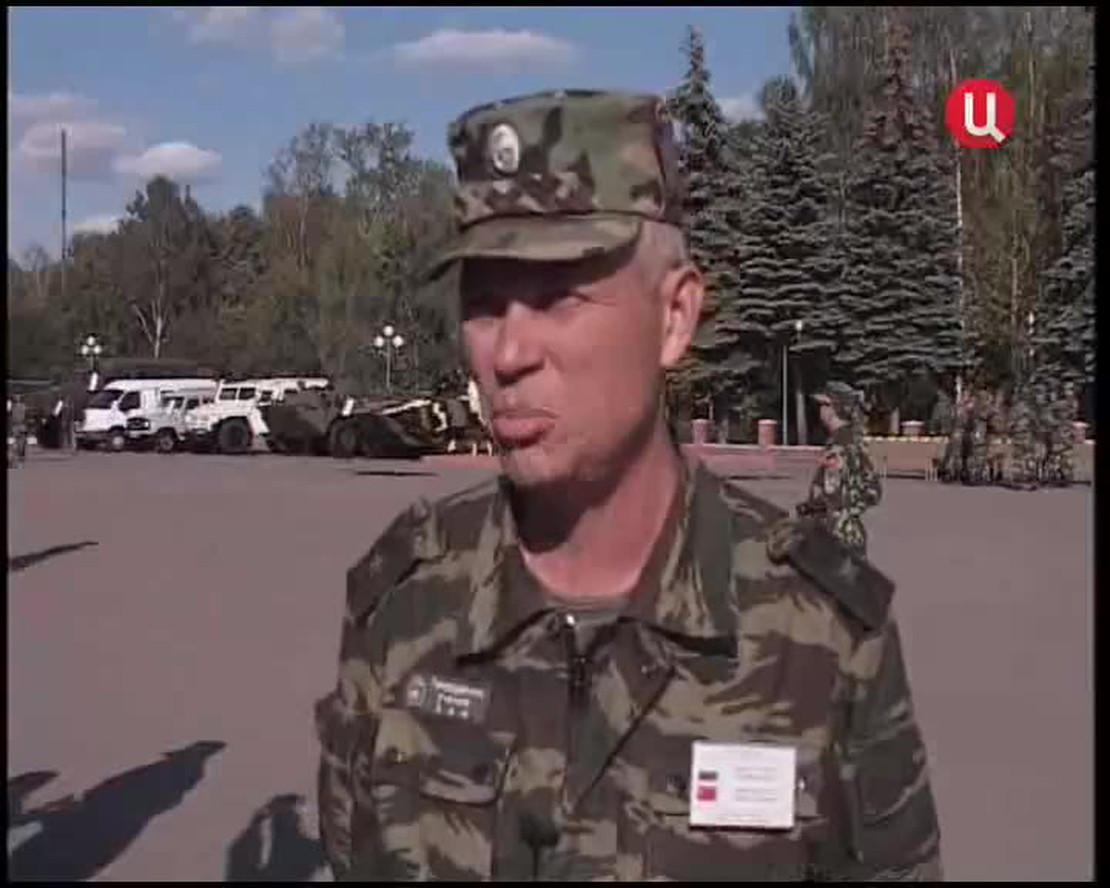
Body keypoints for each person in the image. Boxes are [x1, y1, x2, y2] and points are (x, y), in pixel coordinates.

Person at [314, 90, 942, 881]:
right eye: (483, 303)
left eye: (557, 297)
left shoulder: (819, 635)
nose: (506, 354)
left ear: (675, 317)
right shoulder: (405, 604)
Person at [799, 382, 882, 557]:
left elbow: (831, 493)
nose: (820, 410)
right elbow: (874, 491)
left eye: (824, 405)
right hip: (853, 534)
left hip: (834, 535)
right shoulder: (856, 441)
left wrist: (811, 508)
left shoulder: (837, 446)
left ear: (834, 408)